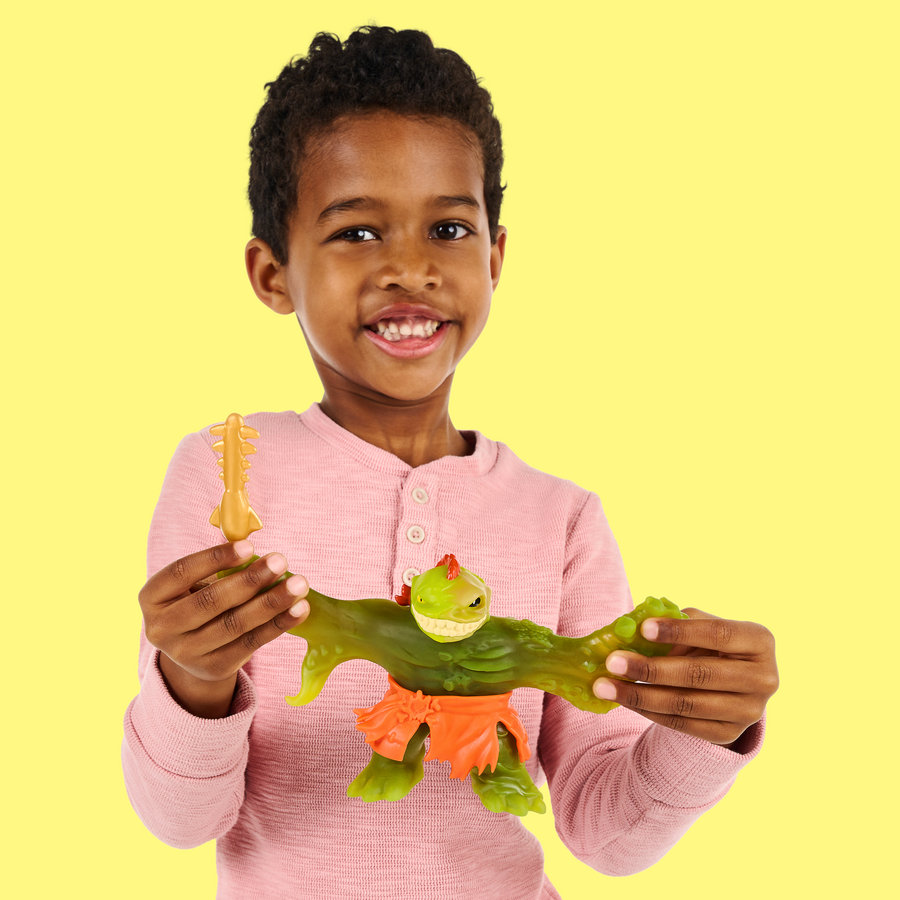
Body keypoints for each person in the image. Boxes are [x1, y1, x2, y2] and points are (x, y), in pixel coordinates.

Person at [122, 26, 778, 900]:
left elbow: (605, 835)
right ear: (273, 273)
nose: (411, 267)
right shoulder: (225, 476)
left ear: (494, 258)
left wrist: (706, 734)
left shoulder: (561, 519)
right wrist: (193, 678)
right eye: (358, 231)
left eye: (447, 228)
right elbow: (180, 820)